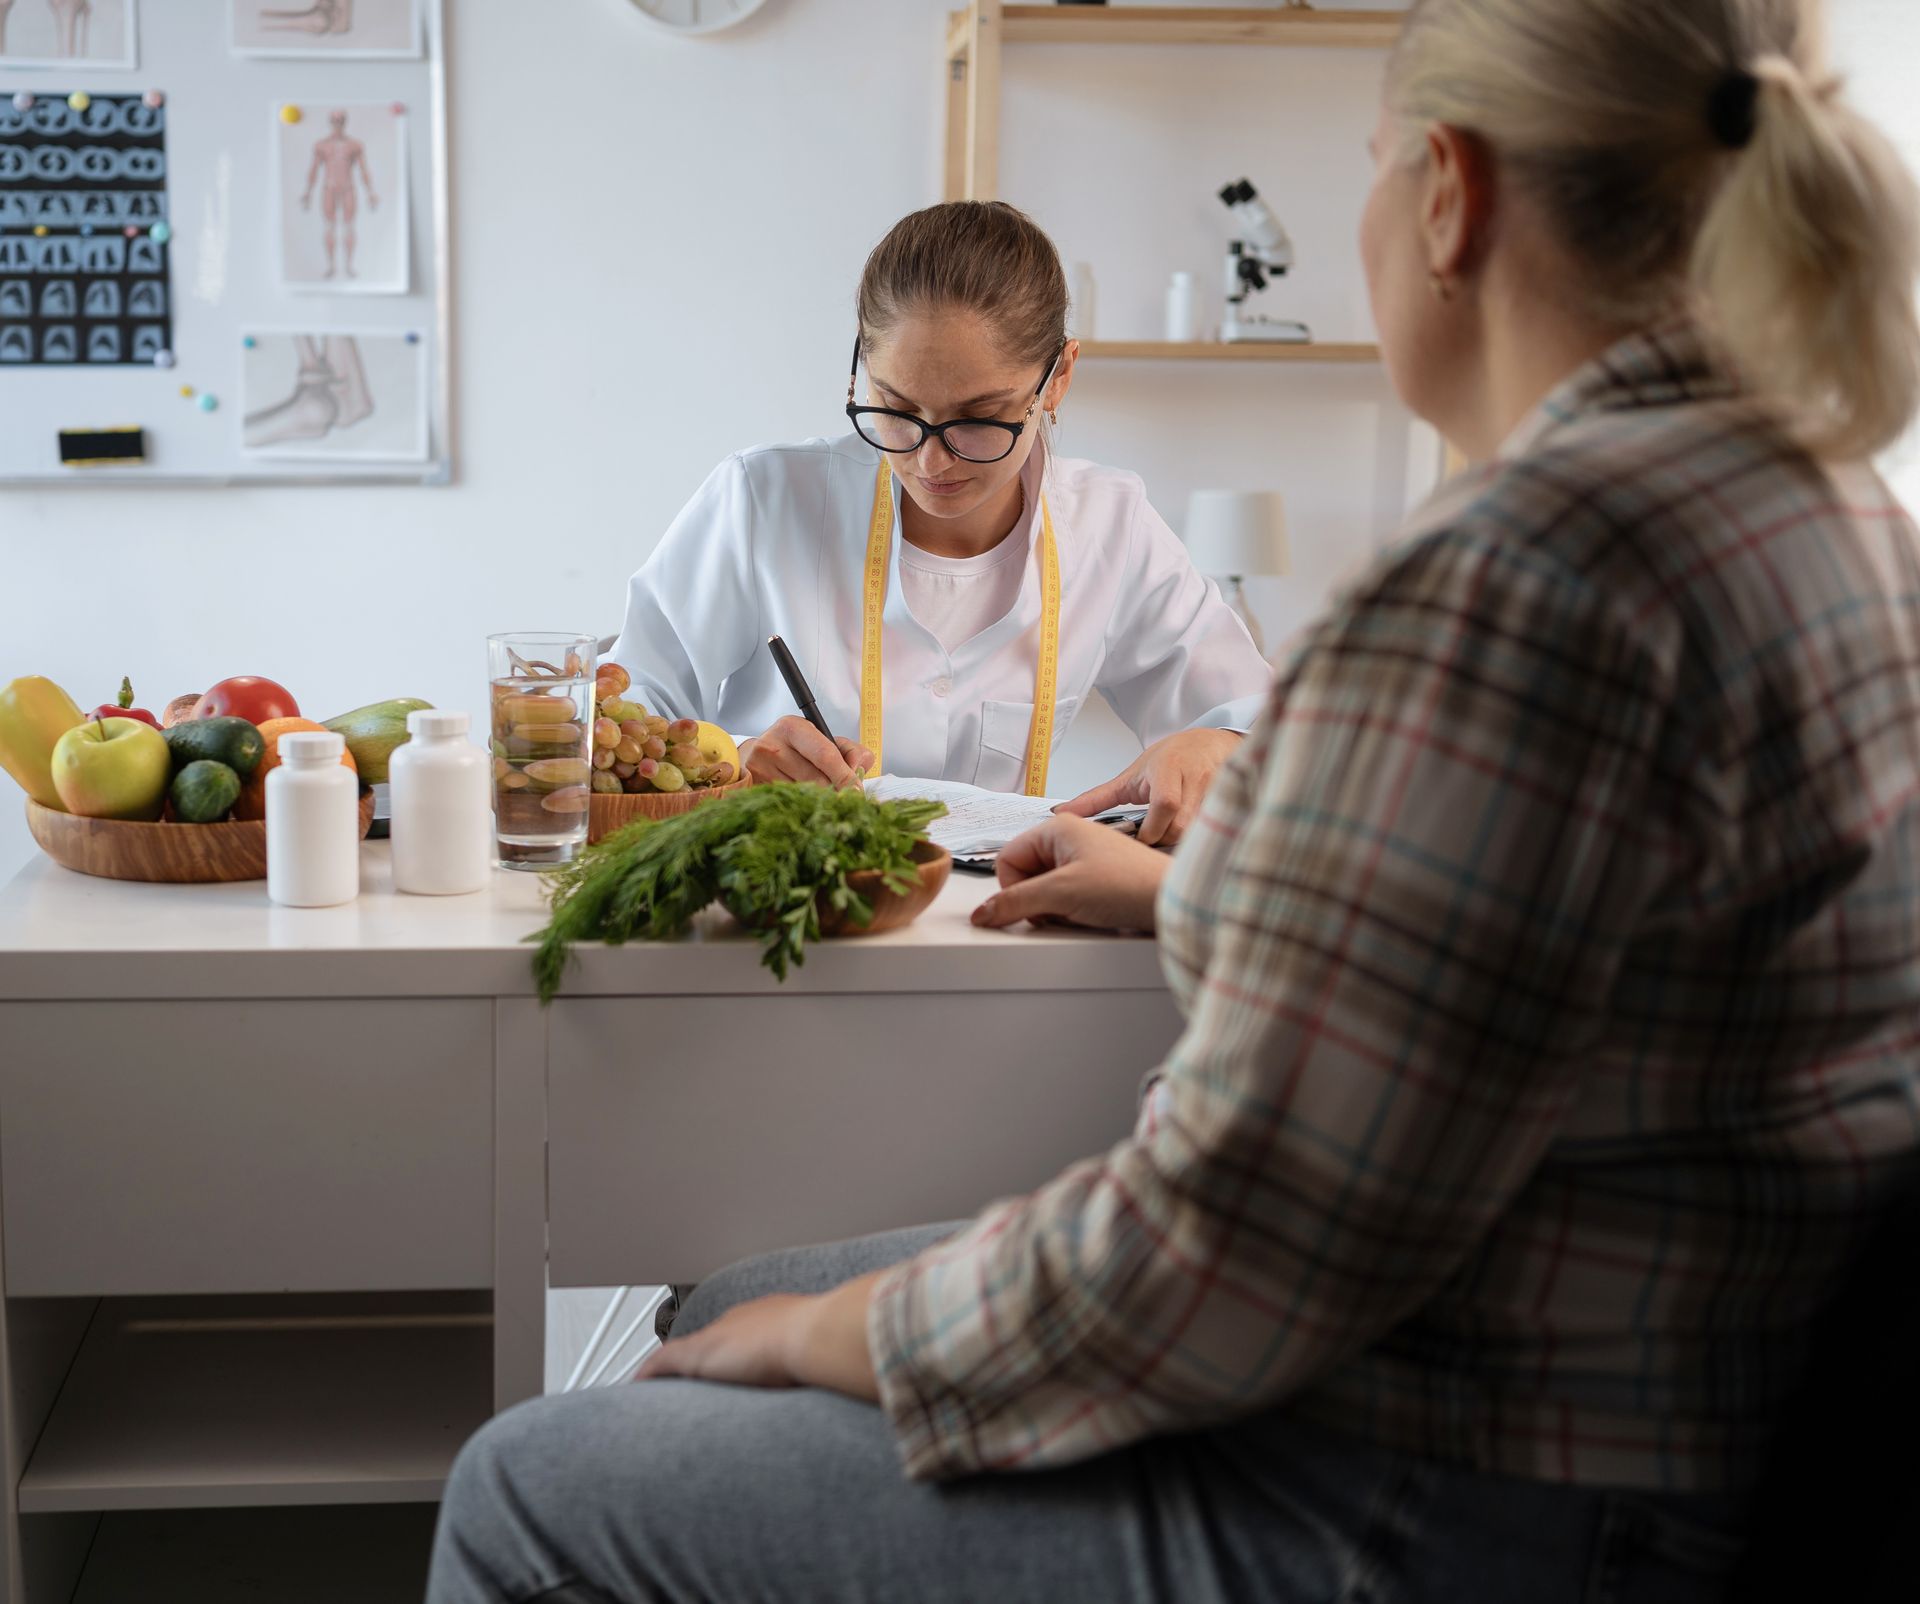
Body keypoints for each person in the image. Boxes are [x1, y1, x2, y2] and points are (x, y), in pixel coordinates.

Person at [428, 0, 1920, 1598]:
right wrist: (1184, 892)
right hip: (1658, 1433)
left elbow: (1216, 1262)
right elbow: (1486, 976)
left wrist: (836, 1339)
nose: (936, 456)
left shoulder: (1513, 589)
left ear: (1446, 196)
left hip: (1428, 1483)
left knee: (533, 1475)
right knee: (736, 1291)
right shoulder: (1832, 520)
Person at [604, 201, 1272, 844]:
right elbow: (615, 715)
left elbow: (1266, 725)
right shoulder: (762, 499)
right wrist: (738, 757)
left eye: (979, 418)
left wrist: (1216, 743)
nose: (930, 461)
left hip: (997, 925)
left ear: (1059, 378)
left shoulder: (1111, 526)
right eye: (895, 408)